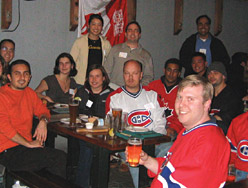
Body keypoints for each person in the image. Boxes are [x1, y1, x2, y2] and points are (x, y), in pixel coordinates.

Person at [131, 75, 230, 188]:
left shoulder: (209, 141)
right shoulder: (189, 131)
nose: (181, 105)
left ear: (207, 104)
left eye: (190, 99)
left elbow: (179, 184)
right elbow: (171, 169)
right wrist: (147, 161)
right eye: (179, 97)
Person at [0, 60, 66, 177]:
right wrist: (28, 144)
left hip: (25, 148)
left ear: (30, 77)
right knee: (58, 158)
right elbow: (5, 128)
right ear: (9, 77)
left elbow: (43, 111)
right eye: (17, 73)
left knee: (54, 160)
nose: (22, 77)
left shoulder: (29, 93)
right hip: (6, 152)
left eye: (25, 74)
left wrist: (43, 121)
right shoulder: (0, 97)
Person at [105, 60, 166, 188]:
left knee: (171, 152)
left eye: (134, 73)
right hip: (128, 145)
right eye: (127, 73)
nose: (130, 77)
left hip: (154, 142)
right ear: (123, 75)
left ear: (141, 75)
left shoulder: (152, 95)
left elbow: (160, 123)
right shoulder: (115, 97)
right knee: (135, 163)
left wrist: (154, 141)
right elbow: (112, 128)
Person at [74, 64, 113, 187]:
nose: (94, 80)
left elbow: (112, 118)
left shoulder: (111, 95)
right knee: (86, 146)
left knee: (88, 148)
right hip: (83, 131)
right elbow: (75, 112)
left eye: (97, 76)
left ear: (103, 78)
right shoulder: (82, 92)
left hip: (104, 133)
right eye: (91, 76)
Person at [147, 58, 183, 157]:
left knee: (167, 147)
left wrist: (174, 128)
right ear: (164, 70)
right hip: (153, 125)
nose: (171, 74)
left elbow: (185, 114)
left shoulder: (184, 89)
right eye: (169, 70)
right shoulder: (153, 86)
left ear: (179, 73)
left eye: (175, 71)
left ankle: (155, 166)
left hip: (171, 127)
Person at [104, 21, 154, 88]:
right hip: (114, 89)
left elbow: (149, 76)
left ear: (139, 35)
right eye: (130, 30)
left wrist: (138, 87)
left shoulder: (146, 55)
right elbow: (106, 70)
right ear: (126, 34)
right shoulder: (115, 49)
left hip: (135, 91)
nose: (132, 33)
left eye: (136, 30)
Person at [70, 14, 112, 84]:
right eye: (93, 24)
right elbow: (71, 61)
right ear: (88, 26)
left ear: (102, 27)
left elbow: (110, 63)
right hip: (81, 82)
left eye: (99, 25)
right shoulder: (79, 42)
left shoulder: (106, 44)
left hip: (98, 83)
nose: (96, 27)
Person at [208, 61, 243, 135]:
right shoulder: (207, 94)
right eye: (209, 73)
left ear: (223, 76)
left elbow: (226, 117)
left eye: (215, 73)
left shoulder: (232, 95)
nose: (211, 76)